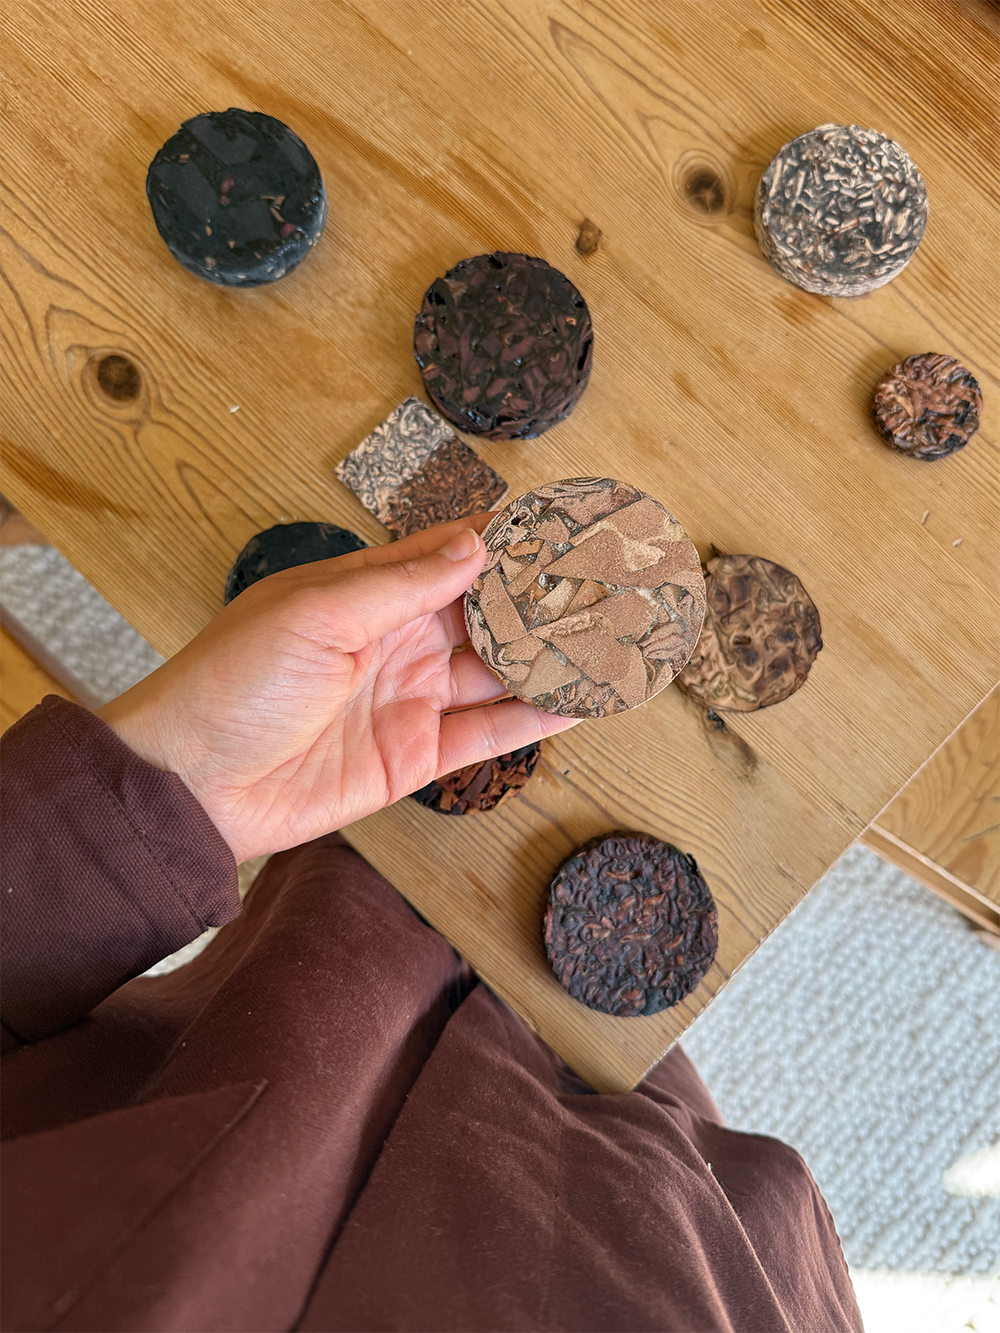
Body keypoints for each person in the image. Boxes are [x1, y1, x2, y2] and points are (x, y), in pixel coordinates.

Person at [0, 516, 862, 1333]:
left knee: (380, 895)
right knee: (609, 1027)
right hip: (656, 1205)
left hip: (319, 966)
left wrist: (171, 785)